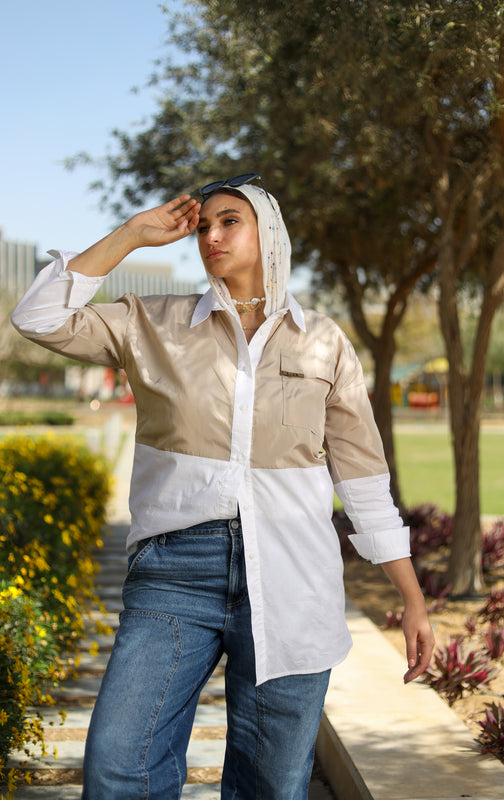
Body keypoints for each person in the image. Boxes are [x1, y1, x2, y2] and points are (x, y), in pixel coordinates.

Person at [11, 174, 434, 800]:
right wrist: (131, 235)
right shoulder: (151, 322)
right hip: (174, 572)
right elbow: (37, 316)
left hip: (294, 574)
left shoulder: (323, 342)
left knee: (271, 785)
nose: (211, 234)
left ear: (269, 231)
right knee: (119, 766)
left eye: (229, 220)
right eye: (204, 225)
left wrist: (412, 597)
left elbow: (363, 479)